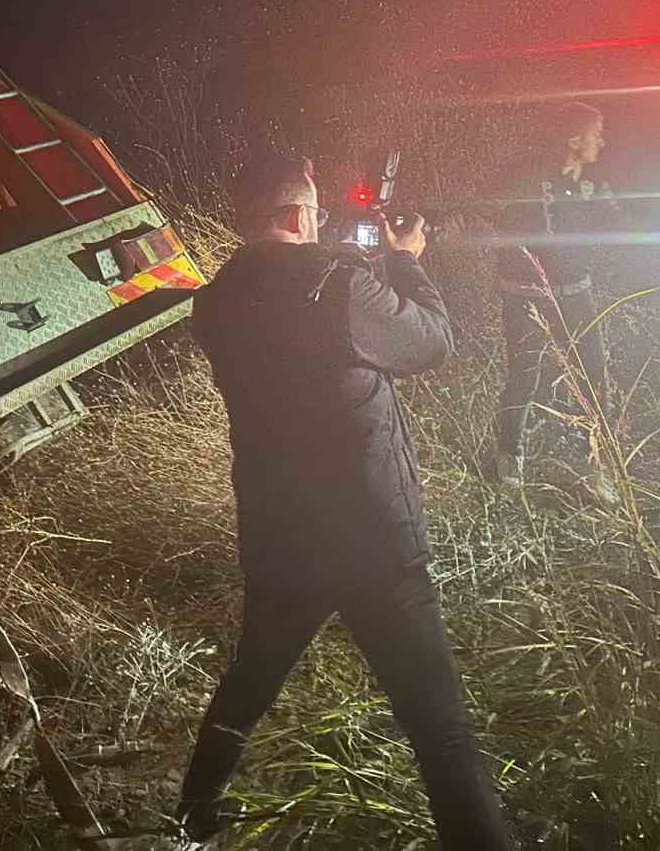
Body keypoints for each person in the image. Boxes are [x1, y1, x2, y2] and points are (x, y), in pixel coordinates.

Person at [174, 152, 513, 849]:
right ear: (300, 215)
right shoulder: (341, 285)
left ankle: (190, 820)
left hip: (281, 536)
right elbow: (432, 343)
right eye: (318, 212)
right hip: (373, 542)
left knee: (250, 683)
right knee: (437, 723)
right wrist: (408, 259)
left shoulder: (213, 302)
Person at [487, 102, 614, 490]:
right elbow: (498, 223)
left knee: (594, 378)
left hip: (578, 294)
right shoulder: (525, 178)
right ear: (574, 140)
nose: (602, 142)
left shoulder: (595, 185)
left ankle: (598, 469)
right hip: (527, 297)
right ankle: (508, 460)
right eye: (596, 133)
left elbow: (614, 227)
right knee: (523, 377)